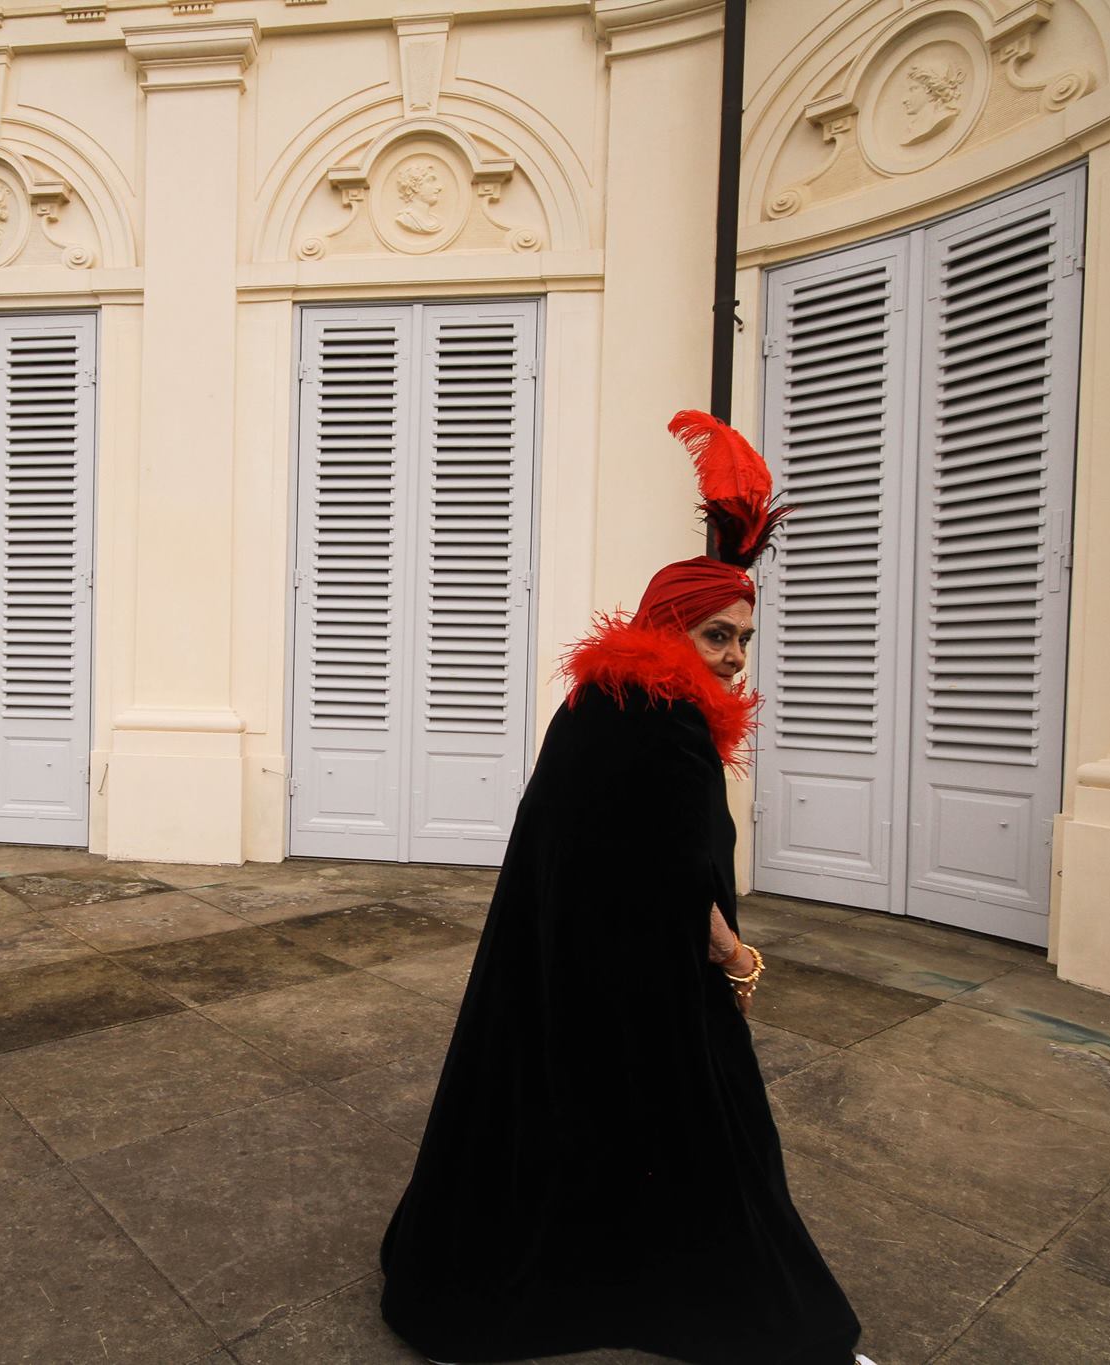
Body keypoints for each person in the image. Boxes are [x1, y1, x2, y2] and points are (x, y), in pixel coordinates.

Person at [378, 411, 868, 1365]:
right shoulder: (668, 722)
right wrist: (729, 949)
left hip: (568, 967)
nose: (732, 656)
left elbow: (603, 848)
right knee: (718, 1149)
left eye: (743, 639)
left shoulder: (599, 705)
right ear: (669, 628)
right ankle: (786, 1331)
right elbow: (681, 860)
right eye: (717, 634)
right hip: (645, 981)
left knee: (564, 1130)